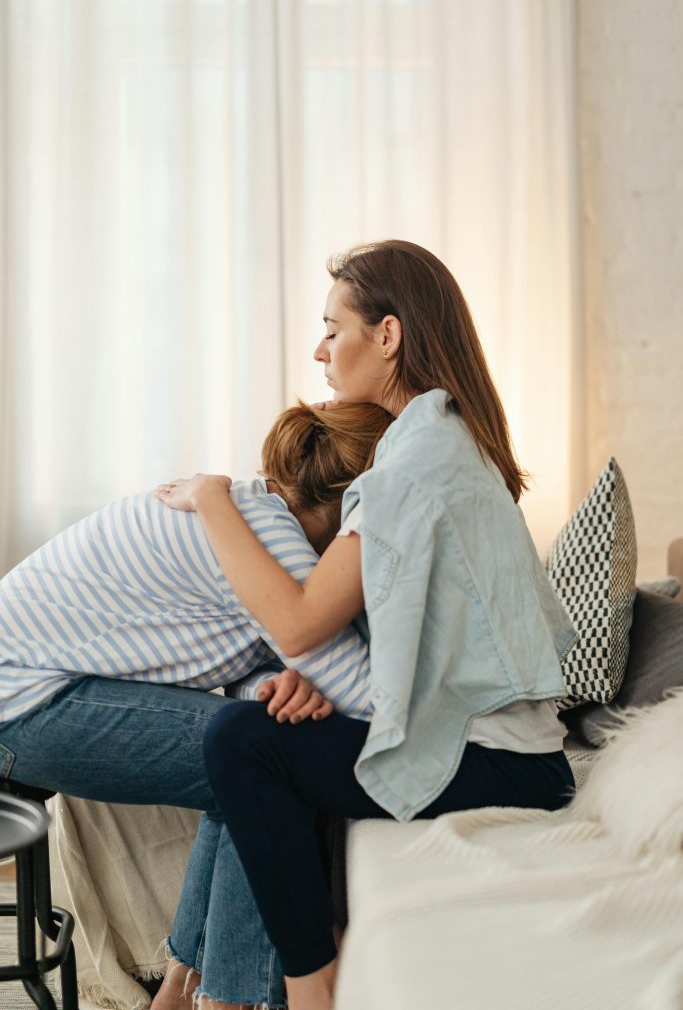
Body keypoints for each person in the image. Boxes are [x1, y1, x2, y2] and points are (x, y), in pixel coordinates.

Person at [156, 239, 579, 1010]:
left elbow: (297, 624)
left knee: (237, 741)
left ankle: (307, 988)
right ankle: (253, 982)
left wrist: (214, 499)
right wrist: (314, 690)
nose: (319, 350)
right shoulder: (446, 441)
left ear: (386, 336)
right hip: (511, 753)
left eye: (332, 327)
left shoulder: (410, 470)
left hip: (501, 765)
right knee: (270, 731)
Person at [0, 399, 392, 1010]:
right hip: (21, 702)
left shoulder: (255, 513)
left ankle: (185, 987)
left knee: (248, 746)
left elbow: (234, 667)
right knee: (268, 765)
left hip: (30, 688)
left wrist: (284, 680)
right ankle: (226, 999)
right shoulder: (270, 540)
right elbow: (372, 701)